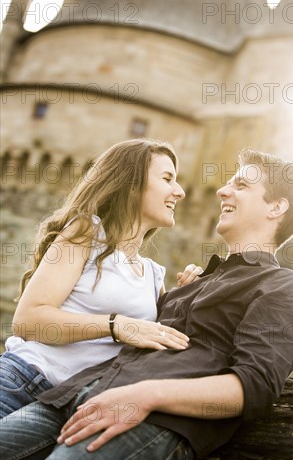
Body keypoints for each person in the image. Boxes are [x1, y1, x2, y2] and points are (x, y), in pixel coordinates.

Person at [0, 149, 293, 460]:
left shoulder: (283, 287)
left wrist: (144, 396)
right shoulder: (192, 284)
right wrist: (190, 291)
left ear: (276, 207)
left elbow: (254, 385)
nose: (222, 190)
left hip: (148, 419)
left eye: (241, 186)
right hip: (70, 396)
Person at [0, 138, 202, 418]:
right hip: (22, 381)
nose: (179, 191)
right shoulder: (86, 232)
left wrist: (192, 294)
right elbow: (28, 321)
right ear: (132, 184)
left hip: (68, 406)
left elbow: (164, 347)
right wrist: (115, 325)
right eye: (167, 178)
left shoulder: (154, 276)